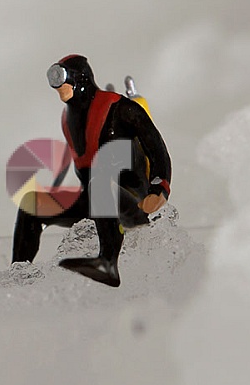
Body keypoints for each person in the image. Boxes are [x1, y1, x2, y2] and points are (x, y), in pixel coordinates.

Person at [11, 54, 172, 287]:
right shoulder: (68, 118)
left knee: (99, 182)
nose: (59, 87)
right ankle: (17, 274)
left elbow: (156, 148)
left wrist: (159, 187)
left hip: (133, 201)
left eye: (63, 80)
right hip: (95, 201)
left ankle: (108, 263)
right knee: (31, 204)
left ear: (80, 79)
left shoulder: (119, 108)